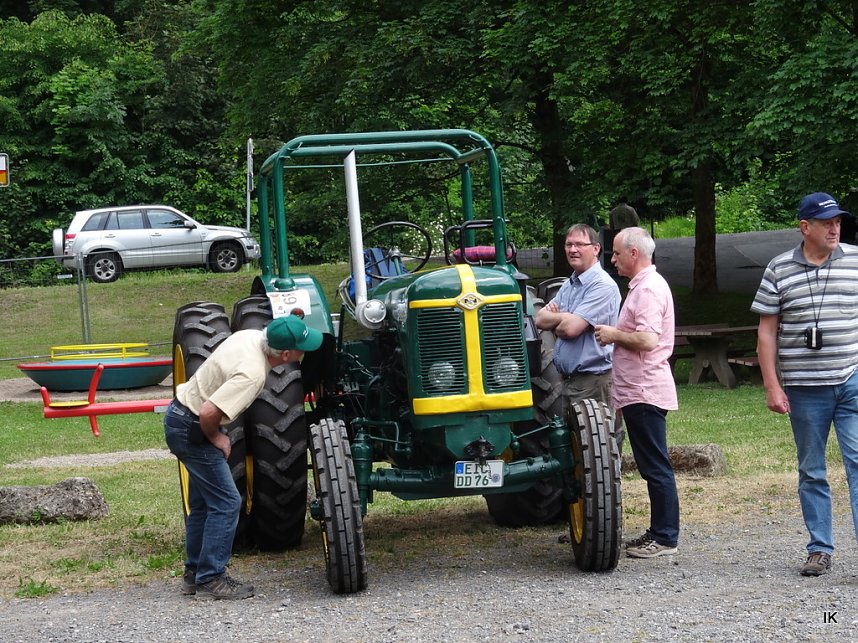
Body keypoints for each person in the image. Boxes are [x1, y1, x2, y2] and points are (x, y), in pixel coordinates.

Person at [164, 315, 323, 599]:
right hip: (193, 427)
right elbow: (209, 413)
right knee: (227, 503)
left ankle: (194, 573)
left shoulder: (250, 336)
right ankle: (211, 578)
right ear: (286, 355)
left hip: (180, 416)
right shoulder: (253, 374)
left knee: (203, 504)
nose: (304, 352)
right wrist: (217, 437)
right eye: (301, 348)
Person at [751, 191, 858, 577]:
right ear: (804, 227)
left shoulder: (855, 261)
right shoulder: (778, 269)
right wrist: (772, 385)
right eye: (826, 222)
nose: (834, 228)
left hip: (852, 380)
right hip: (805, 389)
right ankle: (820, 548)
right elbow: (766, 333)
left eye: (838, 222)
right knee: (812, 469)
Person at [594, 226, 679, 558]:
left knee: (655, 465)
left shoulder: (648, 290)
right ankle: (658, 531)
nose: (612, 259)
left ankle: (666, 537)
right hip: (637, 391)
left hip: (644, 390)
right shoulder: (643, 286)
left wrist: (613, 334)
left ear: (634, 253)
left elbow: (647, 339)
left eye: (616, 253)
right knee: (651, 464)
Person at [536, 223, 621, 418]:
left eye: (580, 244)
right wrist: (566, 318)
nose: (572, 250)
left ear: (596, 248)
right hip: (570, 381)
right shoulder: (570, 284)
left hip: (593, 382)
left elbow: (570, 330)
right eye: (569, 244)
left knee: (599, 437)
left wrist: (558, 323)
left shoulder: (602, 286)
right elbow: (540, 319)